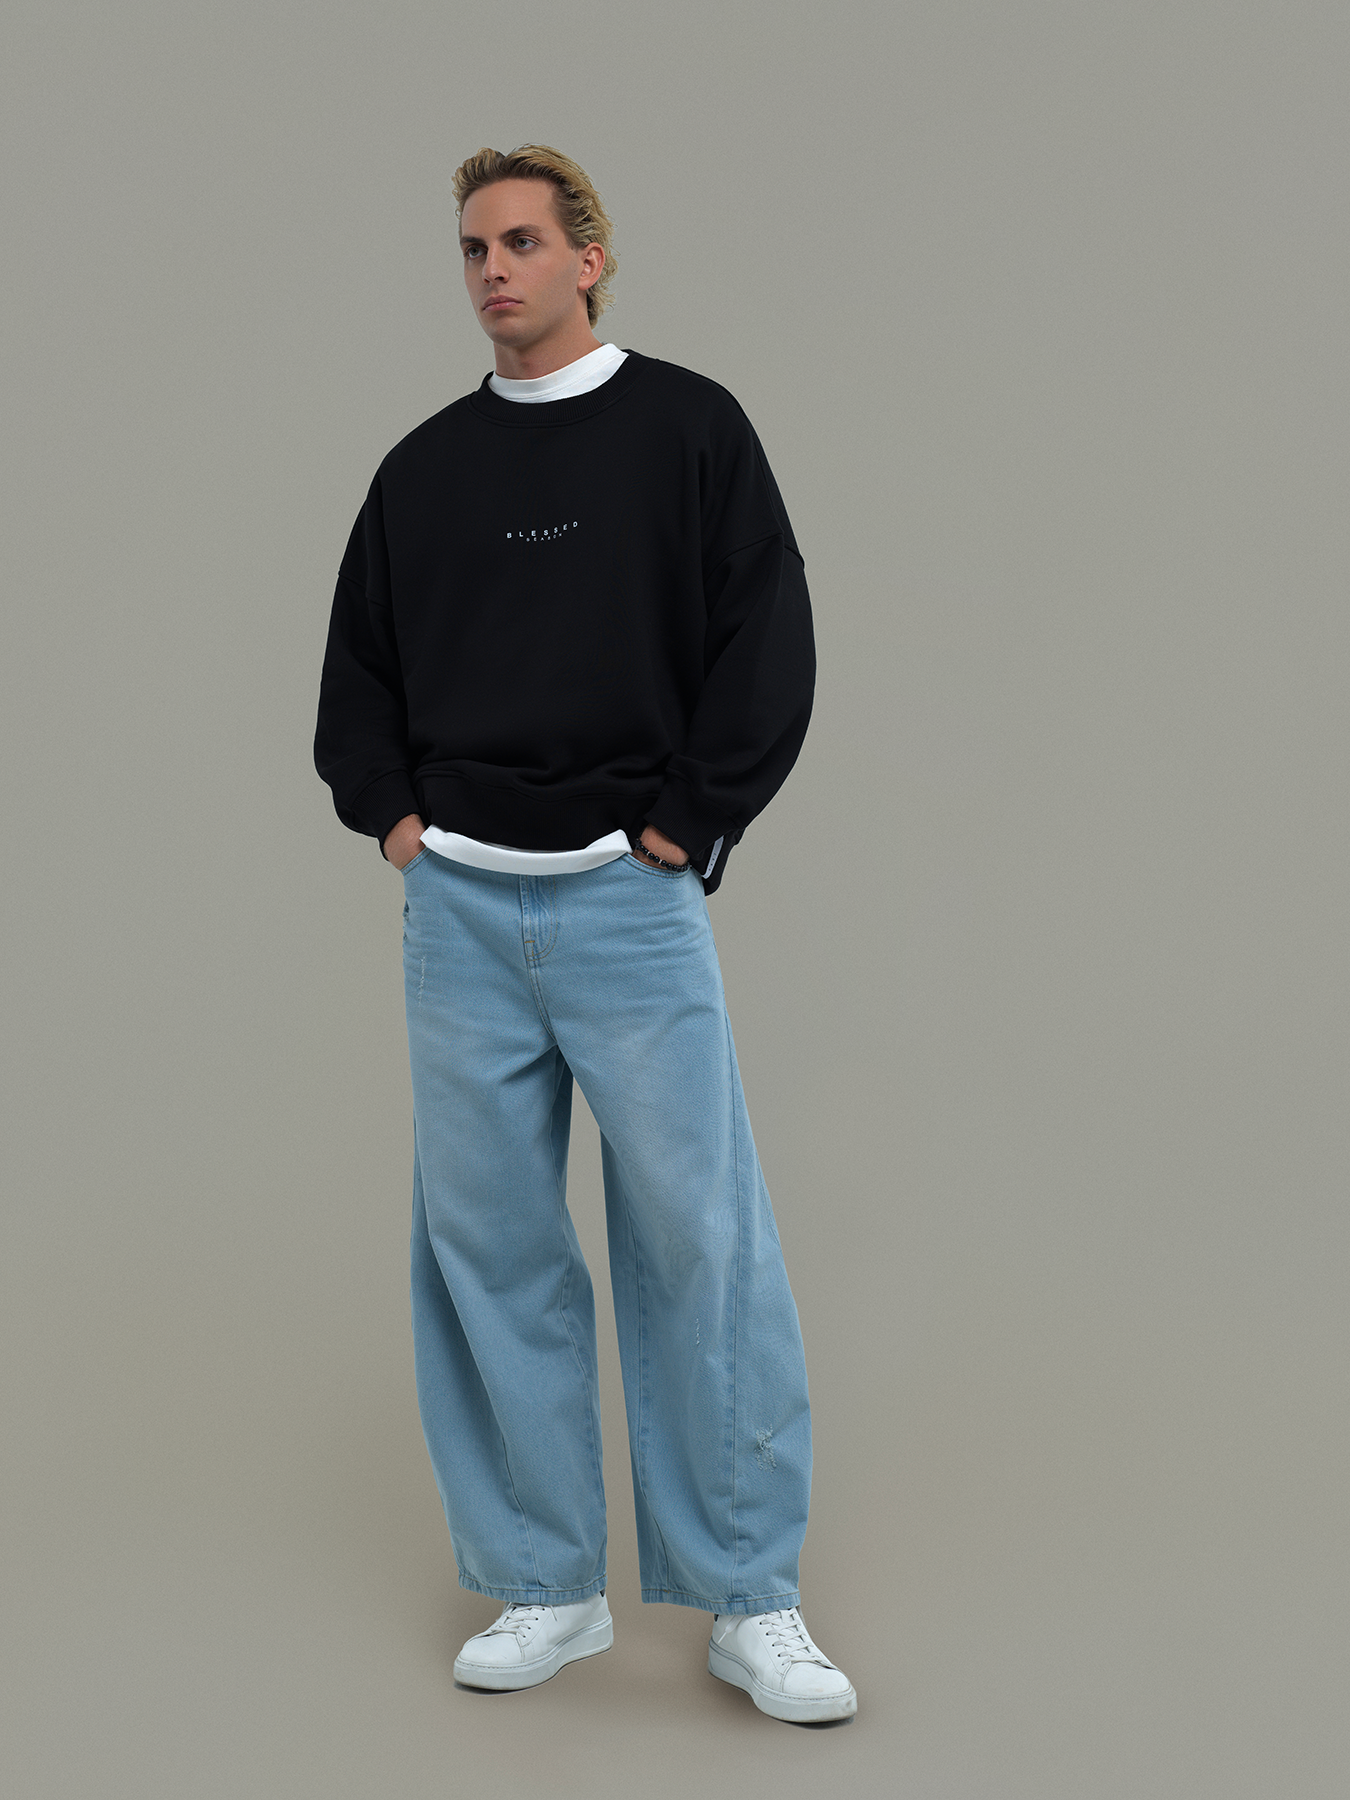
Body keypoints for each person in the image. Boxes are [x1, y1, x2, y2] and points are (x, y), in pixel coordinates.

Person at [314, 144, 855, 1725]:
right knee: (486, 1247)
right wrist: (394, 819)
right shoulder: (422, 469)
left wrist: (687, 821)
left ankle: (750, 1598)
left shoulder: (688, 429)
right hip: (459, 909)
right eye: (472, 248)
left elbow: (767, 634)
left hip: (628, 895)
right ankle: (544, 1581)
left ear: (588, 258)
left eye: (521, 242)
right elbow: (358, 667)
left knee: (702, 1242)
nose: (492, 270)